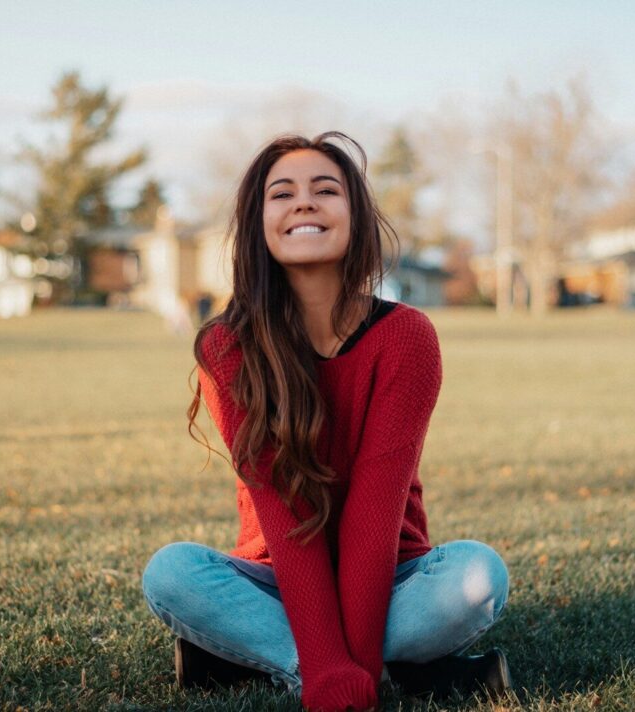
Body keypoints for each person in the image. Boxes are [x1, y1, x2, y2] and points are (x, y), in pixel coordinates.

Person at [142, 131, 510, 711]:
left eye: (326, 190)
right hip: (280, 579)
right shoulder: (227, 345)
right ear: (258, 223)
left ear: (356, 217)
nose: (304, 203)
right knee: (170, 573)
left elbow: (375, 503)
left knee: (478, 575)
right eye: (282, 193)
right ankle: (384, 670)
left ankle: (246, 658)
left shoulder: (406, 336)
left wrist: (351, 666)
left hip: (393, 573)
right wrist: (326, 669)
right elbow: (283, 510)